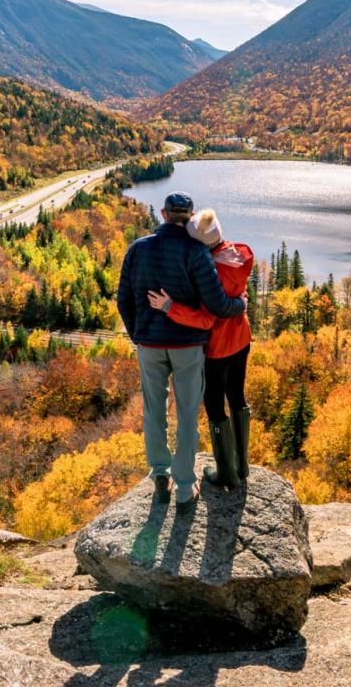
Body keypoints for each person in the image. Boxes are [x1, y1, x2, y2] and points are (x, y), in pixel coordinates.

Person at [117, 191, 247, 513]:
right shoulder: (196, 252)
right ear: (189, 217)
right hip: (188, 346)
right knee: (187, 415)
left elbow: (123, 299)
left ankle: (160, 477)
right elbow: (217, 304)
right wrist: (240, 305)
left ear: (163, 213)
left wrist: (139, 335)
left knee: (153, 410)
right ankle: (186, 488)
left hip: (150, 344)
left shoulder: (138, 249)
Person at [147, 208, 253, 491]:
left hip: (217, 347)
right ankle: (242, 465)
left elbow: (206, 318)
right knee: (238, 396)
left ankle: (227, 474)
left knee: (216, 405)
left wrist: (170, 307)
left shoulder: (210, 272)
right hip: (241, 338)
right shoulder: (241, 254)